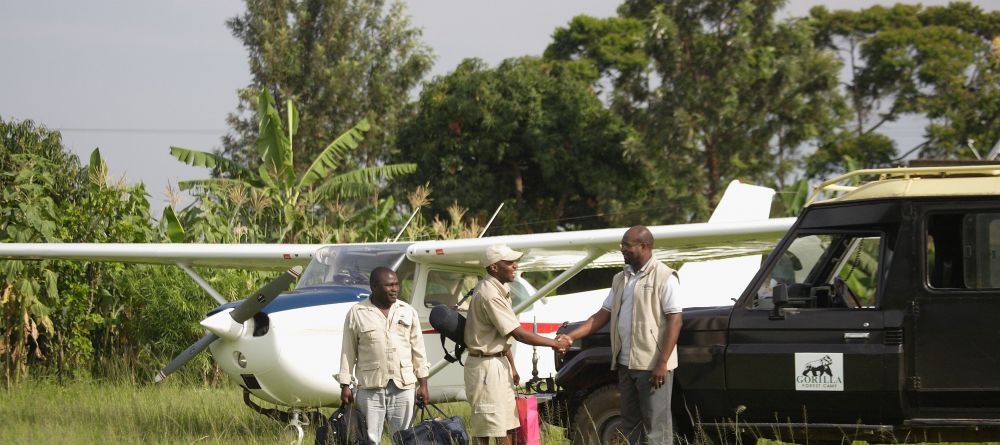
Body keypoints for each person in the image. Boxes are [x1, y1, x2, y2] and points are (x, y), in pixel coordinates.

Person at [558, 225, 682, 445]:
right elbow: (602, 315)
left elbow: (675, 320)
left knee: (656, 427)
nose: (622, 249)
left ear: (644, 246)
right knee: (630, 424)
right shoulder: (620, 278)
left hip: (653, 366)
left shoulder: (665, 277)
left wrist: (662, 362)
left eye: (627, 245)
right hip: (625, 364)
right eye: (622, 244)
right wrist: (570, 337)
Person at [465, 244, 569, 445]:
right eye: (509, 262)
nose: (515, 265)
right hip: (486, 368)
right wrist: (554, 344)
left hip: (497, 362)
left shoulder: (499, 289)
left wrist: (511, 366)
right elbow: (517, 333)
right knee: (489, 427)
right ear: (494, 267)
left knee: (508, 425)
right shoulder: (489, 294)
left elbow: (500, 335)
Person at [337, 267, 430, 444]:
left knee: (404, 438)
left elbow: (418, 350)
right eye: (389, 285)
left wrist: (423, 384)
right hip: (370, 386)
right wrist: (345, 384)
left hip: (403, 385)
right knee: (370, 438)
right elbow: (347, 351)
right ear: (374, 287)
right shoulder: (357, 313)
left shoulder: (408, 311)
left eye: (396, 284)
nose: (395, 289)